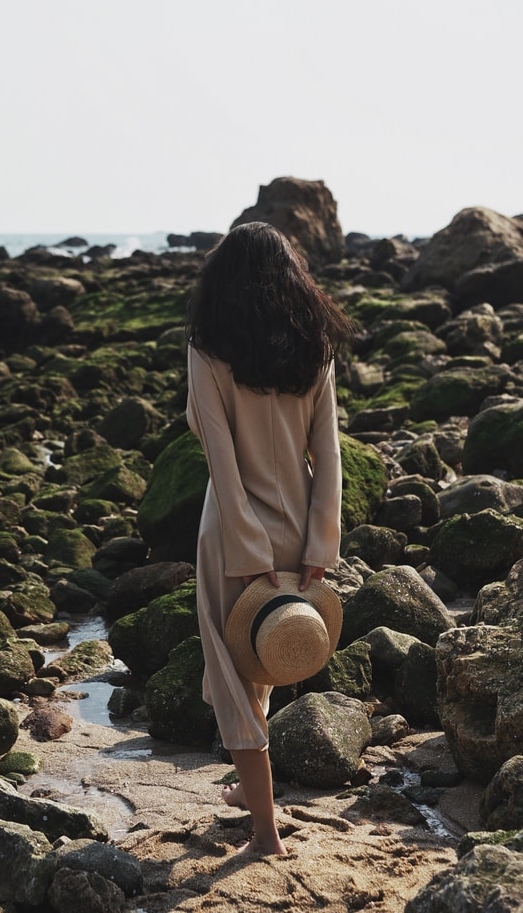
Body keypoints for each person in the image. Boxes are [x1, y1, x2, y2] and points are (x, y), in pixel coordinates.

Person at [185, 221, 353, 855]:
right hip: (298, 523)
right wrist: (320, 544)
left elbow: (222, 463)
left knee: (231, 676)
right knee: (261, 654)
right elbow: (328, 453)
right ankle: (247, 789)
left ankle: (264, 833)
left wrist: (249, 553)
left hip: (234, 531)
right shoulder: (314, 347)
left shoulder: (208, 346)